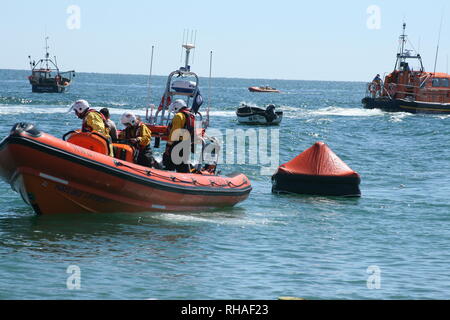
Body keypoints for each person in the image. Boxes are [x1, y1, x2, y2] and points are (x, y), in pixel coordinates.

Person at [163, 99, 195, 173]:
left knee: (167, 159)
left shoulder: (178, 116)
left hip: (178, 143)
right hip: (187, 143)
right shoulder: (191, 115)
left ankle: (167, 177)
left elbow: (175, 132)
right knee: (183, 164)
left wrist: (168, 145)